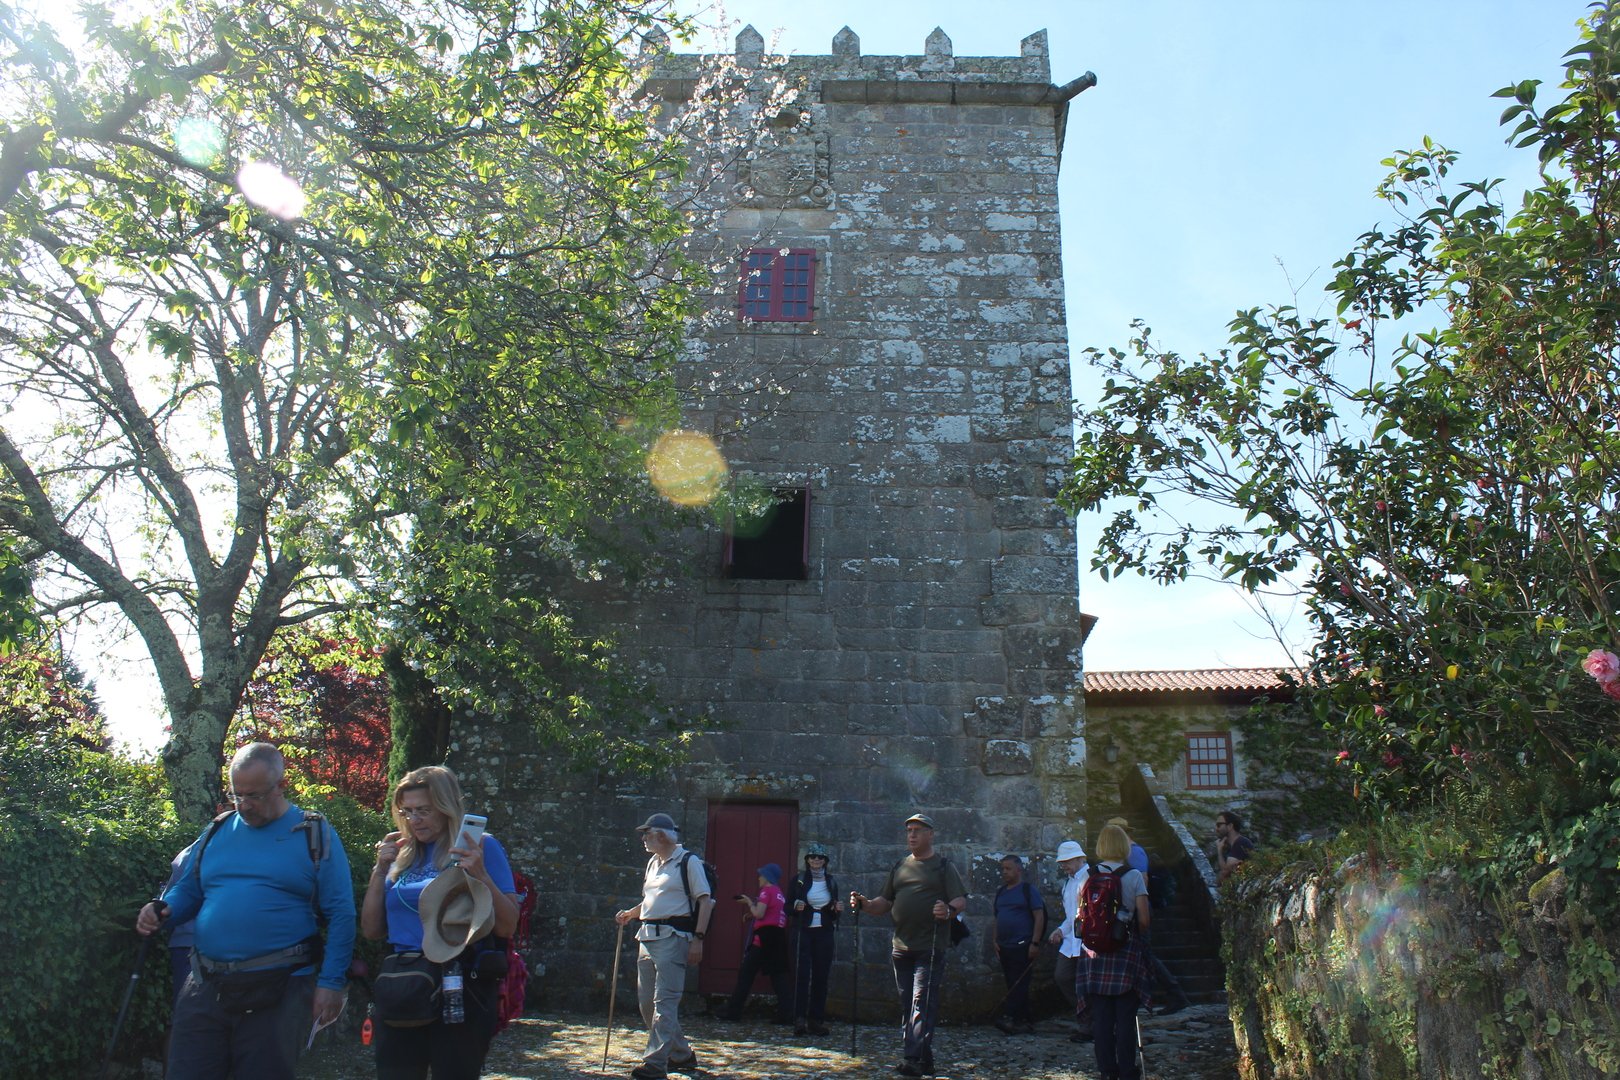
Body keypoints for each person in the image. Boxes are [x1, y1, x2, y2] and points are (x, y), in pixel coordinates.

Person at [136, 742, 355, 1080]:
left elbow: (341, 912)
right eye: (236, 794)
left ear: (281, 785)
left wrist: (331, 982)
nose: (244, 805)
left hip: (278, 988)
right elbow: (190, 889)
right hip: (206, 984)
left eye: (254, 795)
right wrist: (164, 909)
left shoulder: (313, 832)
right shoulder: (218, 830)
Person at [360, 765, 521, 1079]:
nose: (414, 820)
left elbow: (507, 925)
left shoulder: (481, 847)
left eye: (423, 810)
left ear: (446, 808)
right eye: (406, 812)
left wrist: (481, 875)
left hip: (460, 981)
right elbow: (372, 930)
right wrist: (380, 870)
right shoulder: (402, 854)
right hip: (404, 981)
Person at [849, 812, 968, 1079]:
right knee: (908, 1004)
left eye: (917, 830)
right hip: (901, 947)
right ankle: (925, 1060)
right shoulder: (900, 866)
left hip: (930, 945)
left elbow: (960, 900)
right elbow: (884, 902)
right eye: (909, 831)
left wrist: (948, 910)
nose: (911, 835)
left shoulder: (943, 866)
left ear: (930, 835)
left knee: (920, 1002)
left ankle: (912, 1059)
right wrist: (865, 904)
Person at [615, 813, 715, 1080]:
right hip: (647, 937)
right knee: (647, 1004)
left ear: (661, 836)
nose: (643, 839)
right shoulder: (652, 863)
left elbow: (705, 902)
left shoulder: (689, 862)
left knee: (665, 1003)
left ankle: (655, 1064)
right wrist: (632, 913)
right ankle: (681, 1054)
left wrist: (698, 939)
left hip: (674, 938)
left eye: (647, 834)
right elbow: (652, 901)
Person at [1078, 823, 1152, 1080]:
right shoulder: (1133, 876)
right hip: (1124, 951)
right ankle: (1128, 1071)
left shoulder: (1088, 875)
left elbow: (1081, 915)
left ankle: (1107, 1071)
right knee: (1125, 1017)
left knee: (1101, 1018)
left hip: (1095, 954)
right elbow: (1144, 920)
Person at [1106, 818, 1190, 1015]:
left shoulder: (1134, 852)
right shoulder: (1127, 852)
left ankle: (1176, 994)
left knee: (1145, 955)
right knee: (1142, 955)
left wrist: (1135, 908)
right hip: (1131, 910)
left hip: (1137, 910)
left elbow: (1142, 880)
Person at [717, 862, 793, 1023]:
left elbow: (759, 913)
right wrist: (752, 914)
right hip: (778, 936)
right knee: (779, 976)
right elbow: (771, 912)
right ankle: (786, 1014)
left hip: (764, 937)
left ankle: (733, 1012)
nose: (759, 878)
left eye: (761, 875)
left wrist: (749, 903)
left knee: (746, 974)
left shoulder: (767, 891)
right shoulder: (779, 893)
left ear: (767, 877)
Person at [787, 842, 842, 1036]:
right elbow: (787, 907)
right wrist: (796, 906)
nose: (816, 860)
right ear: (807, 860)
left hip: (824, 932)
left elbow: (833, 912)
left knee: (821, 976)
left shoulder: (831, 882)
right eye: (812, 857)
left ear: (825, 861)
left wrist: (836, 909)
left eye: (820, 857)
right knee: (801, 975)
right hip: (803, 931)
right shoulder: (799, 880)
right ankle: (799, 1019)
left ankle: (816, 1020)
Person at [990, 854, 1045, 1035]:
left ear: (1019, 870)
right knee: (1011, 982)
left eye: (1008, 869)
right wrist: (995, 940)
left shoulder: (1028, 891)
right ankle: (1024, 1020)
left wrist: (1035, 943)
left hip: (1022, 945)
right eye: (1003, 869)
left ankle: (1011, 1018)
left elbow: (1039, 916)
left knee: (1019, 983)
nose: (1004, 872)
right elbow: (997, 917)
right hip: (1004, 946)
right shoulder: (1001, 892)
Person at [1045, 839, 1089, 1043]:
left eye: (1068, 861)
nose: (1064, 865)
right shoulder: (1068, 883)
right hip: (1071, 941)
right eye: (1062, 862)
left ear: (1080, 859)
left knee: (1085, 985)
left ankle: (1089, 1026)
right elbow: (1071, 916)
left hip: (1087, 941)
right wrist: (1061, 930)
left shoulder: (1090, 878)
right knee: (1062, 977)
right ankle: (1086, 1018)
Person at [1215, 811, 1254, 884]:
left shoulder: (1241, 843)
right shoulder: (1231, 846)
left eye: (1219, 825)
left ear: (1230, 826)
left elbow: (1225, 872)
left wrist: (1219, 850)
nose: (1216, 829)